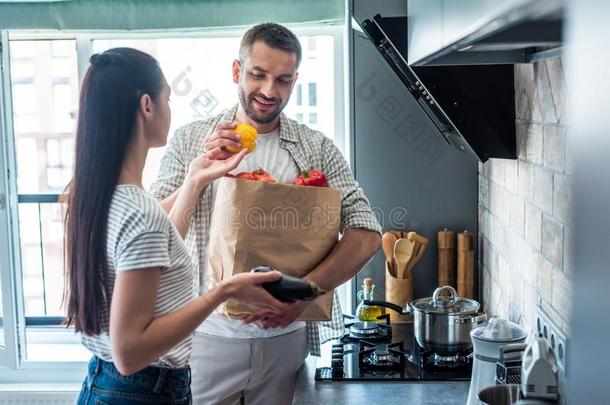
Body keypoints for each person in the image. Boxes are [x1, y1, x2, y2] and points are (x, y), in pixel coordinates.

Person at [151, 23, 382, 405]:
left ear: (295, 80)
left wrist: (306, 293)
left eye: (283, 80)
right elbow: (156, 229)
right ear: (237, 71)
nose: (269, 91)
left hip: (285, 342)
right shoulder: (192, 140)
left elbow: (367, 233)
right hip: (206, 339)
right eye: (258, 75)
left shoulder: (317, 149)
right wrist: (202, 172)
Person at [64, 47, 287, 404]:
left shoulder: (99, 197)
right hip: (141, 391)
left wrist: (195, 180)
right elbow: (130, 352)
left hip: (109, 385)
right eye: (168, 97)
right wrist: (223, 292)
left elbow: (158, 248)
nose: (171, 108)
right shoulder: (140, 213)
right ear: (147, 106)